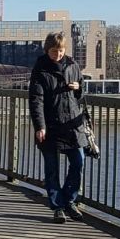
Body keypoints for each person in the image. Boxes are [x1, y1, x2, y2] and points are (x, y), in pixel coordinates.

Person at [29, 31, 86, 224]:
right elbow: (36, 99)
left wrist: (78, 88)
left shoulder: (73, 65)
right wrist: (40, 126)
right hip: (51, 124)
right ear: (47, 50)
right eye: (54, 51)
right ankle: (57, 206)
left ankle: (69, 200)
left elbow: (82, 94)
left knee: (78, 162)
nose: (58, 55)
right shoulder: (41, 68)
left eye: (61, 51)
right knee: (52, 168)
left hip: (72, 123)